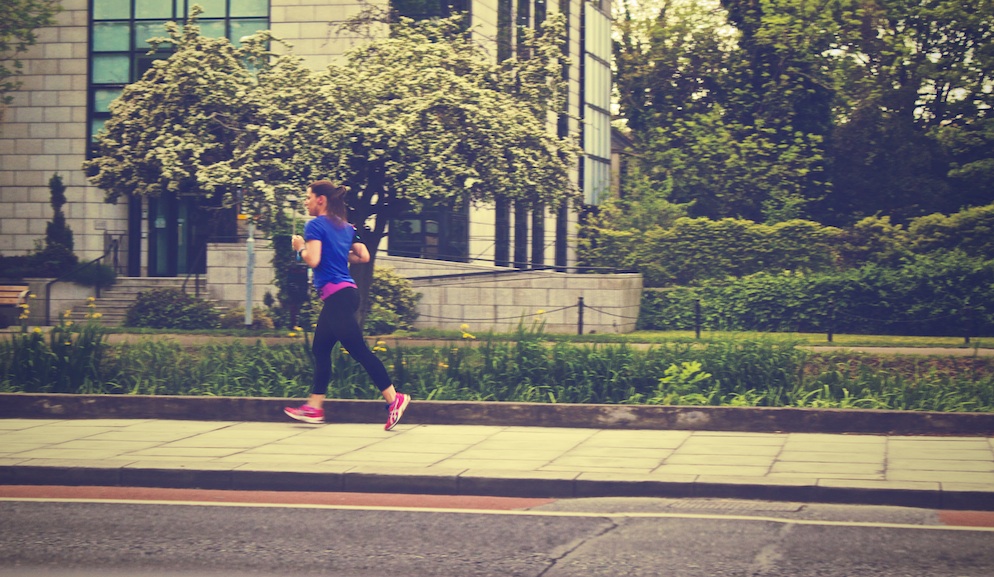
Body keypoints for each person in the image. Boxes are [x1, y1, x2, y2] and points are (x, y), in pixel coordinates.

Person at [284, 180, 410, 430]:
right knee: (320, 349)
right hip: (345, 294)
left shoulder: (315, 225)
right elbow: (364, 256)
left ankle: (395, 398)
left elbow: (314, 259)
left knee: (358, 350)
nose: (306, 202)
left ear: (321, 199)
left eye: (308, 198)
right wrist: (339, 255)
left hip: (337, 297)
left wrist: (299, 249)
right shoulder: (348, 227)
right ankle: (314, 407)